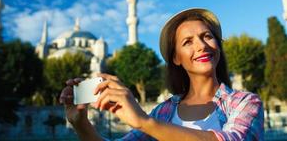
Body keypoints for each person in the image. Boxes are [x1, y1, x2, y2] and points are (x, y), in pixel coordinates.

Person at [59, 7, 264, 141]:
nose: (202, 46)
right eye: (188, 42)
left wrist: (145, 122)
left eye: (207, 36)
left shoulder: (245, 102)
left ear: (218, 46)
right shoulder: (163, 113)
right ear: (176, 58)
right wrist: (81, 123)